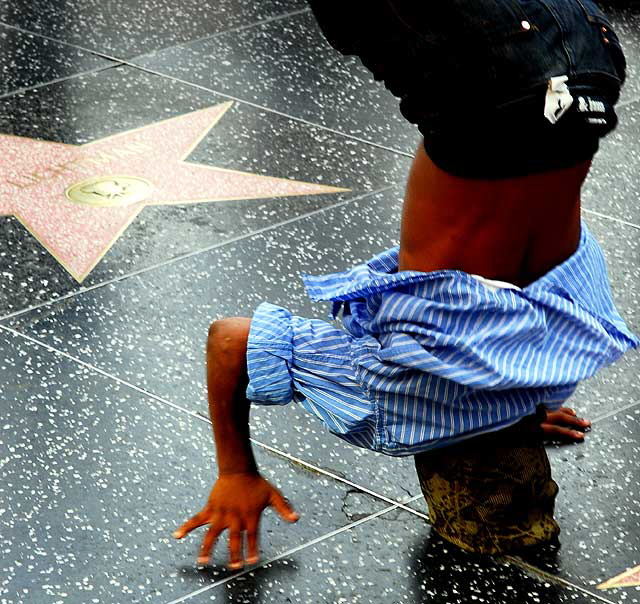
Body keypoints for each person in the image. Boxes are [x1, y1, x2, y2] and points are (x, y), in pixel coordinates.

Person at [173, 0, 639, 566]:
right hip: (490, 79)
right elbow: (230, 339)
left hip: (588, 61)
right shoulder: (397, 396)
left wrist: (519, 404)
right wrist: (235, 470)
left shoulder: (549, 364)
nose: (548, 490)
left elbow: (484, 378)